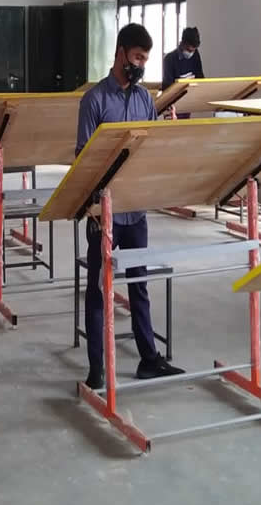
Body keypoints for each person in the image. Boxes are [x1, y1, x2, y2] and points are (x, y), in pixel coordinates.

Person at [78, 23, 184, 391]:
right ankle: (96, 368)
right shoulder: (94, 100)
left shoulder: (144, 100)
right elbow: (83, 160)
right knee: (98, 289)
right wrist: (94, 207)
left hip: (135, 212)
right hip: (103, 214)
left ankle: (149, 359)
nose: (140, 65)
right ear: (120, 52)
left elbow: (150, 150)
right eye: (137, 57)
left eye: (145, 59)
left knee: (139, 284)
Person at [161, 27, 204, 119]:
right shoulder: (169, 59)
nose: (191, 53)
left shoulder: (195, 55)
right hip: (172, 103)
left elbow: (200, 77)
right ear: (182, 44)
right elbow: (167, 87)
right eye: (189, 50)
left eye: (193, 50)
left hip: (187, 101)